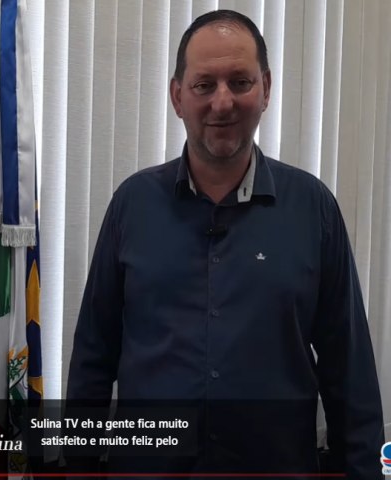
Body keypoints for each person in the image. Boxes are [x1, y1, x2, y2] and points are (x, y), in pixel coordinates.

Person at [66, 9, 384, 478]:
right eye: (203, 85)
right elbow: (94, 358)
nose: (222, 102)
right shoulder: (132, 205)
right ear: (177, 96)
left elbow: (349, 375)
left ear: (266, 89)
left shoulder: (313, 208)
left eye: (240, 82)